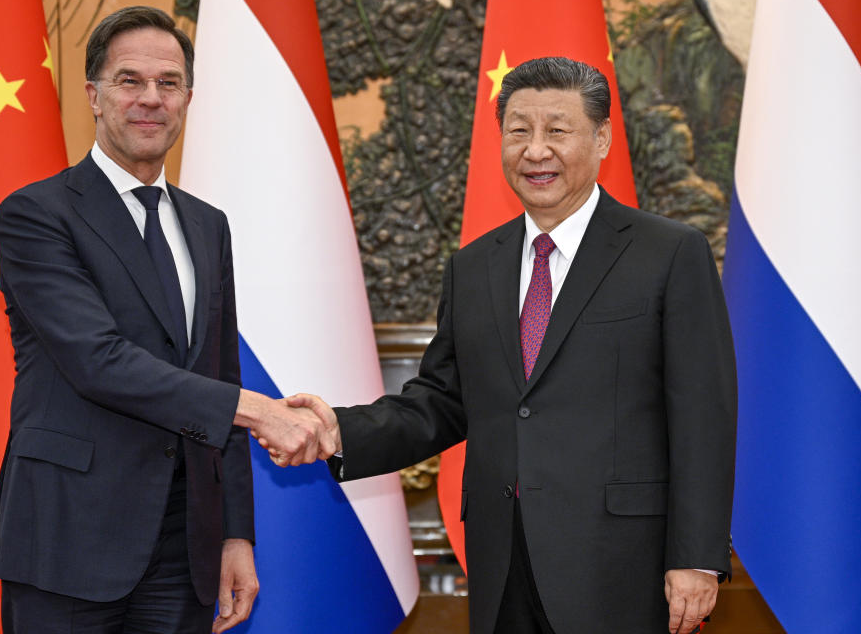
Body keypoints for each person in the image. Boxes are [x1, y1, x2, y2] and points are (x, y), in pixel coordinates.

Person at [280, 57, 737, 634]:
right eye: (519, 130)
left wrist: (695, 558)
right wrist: (337, 431)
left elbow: (703, 416)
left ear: (602, 139)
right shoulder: (473, 266)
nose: (535, 150)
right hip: (503, 562)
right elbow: (442, 402)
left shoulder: (669, 253)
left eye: (557, 130)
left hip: (624, 564)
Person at [0, 6, 333, 634]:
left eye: (168, 83)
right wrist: (262, 412)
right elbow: (99, 361)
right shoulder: (36, 214)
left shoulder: (208, 225)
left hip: (185, 548)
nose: (151, 99)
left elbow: (218, 369)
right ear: (92, 95)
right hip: (68, 539)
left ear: (188, 98)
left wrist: (234, 535)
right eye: (129, 80)